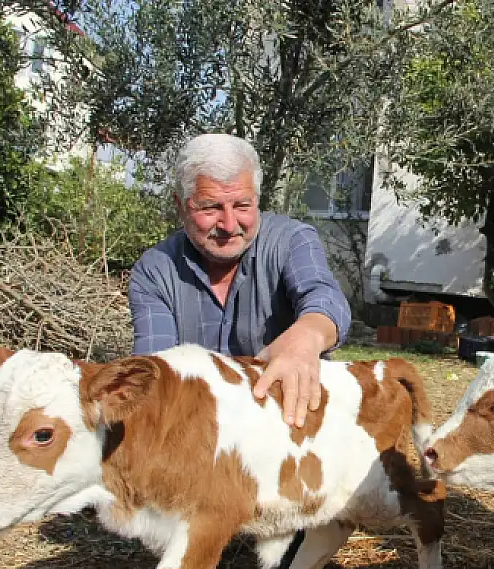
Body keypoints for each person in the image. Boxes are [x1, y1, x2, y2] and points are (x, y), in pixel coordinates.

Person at [128, 133, 352, 429]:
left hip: (288, 429)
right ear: (180, 205)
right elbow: (155, 375)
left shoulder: (291, 241)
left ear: (257, 199)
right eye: (210, 208)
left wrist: (306, 337)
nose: (229, 225)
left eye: (243, 206)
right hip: (199, 431)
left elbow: (324, 297)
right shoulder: (154, 271)